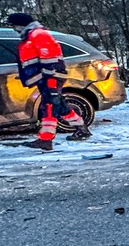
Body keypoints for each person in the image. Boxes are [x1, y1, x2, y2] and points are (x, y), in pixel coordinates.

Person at [7, 13, 89, 151]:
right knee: (58, 105)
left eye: (14, 25)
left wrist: (49, 75)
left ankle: (46, 140)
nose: (14, 29)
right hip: (45, 77)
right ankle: (81, 128)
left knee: (49, 107)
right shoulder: (32, 35)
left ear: (20, 24)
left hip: (49, 76)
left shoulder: (38, 35)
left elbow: (50, 58)